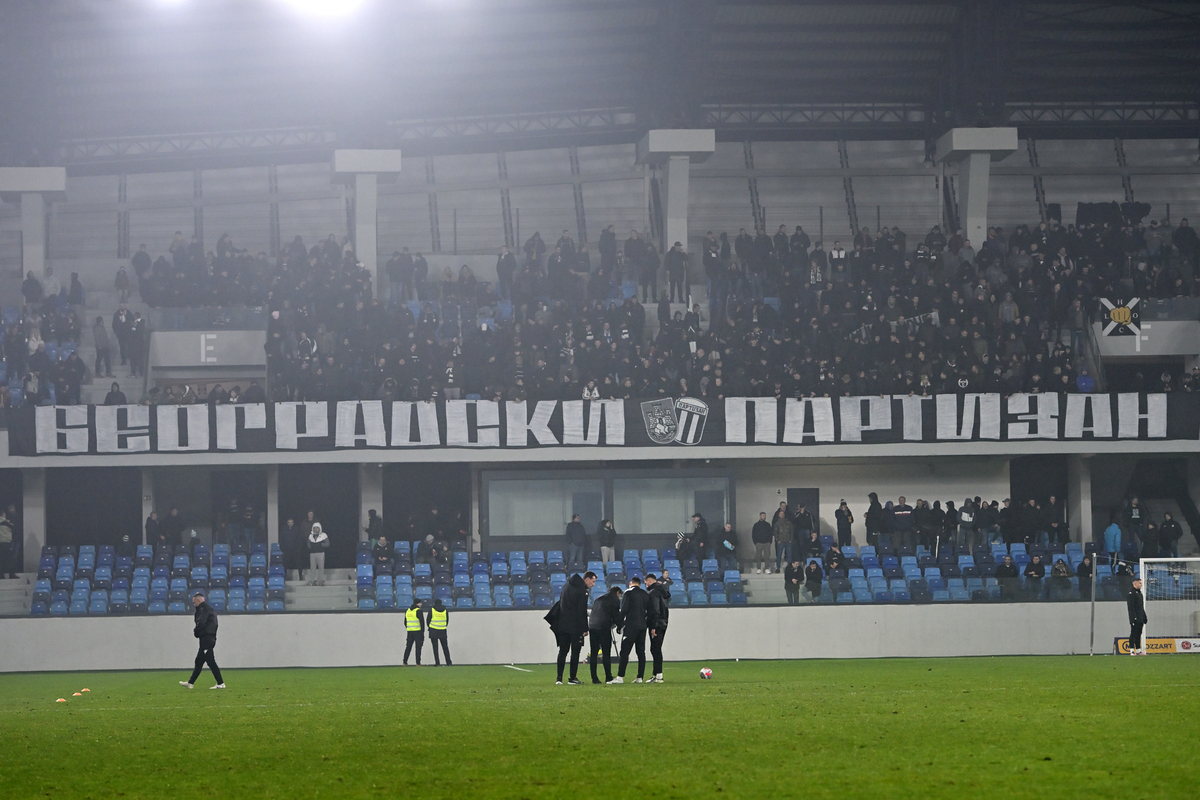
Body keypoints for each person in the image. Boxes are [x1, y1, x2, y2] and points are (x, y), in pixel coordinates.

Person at [551, 570, 594, 685]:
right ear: (587, 579)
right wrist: (585, 628)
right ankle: (572, 677)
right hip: (575, 627)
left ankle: (559, 678)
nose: (593, 584)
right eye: (593, 581)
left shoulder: (567, 586)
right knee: (575, 652)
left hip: (563, 625)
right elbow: (581, 611)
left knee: (563, 651)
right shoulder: (582, 591)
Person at [179, 591, 224, 689]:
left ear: (198, 600)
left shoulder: (204, 610)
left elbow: (201, 622)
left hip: (207, 639)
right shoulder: (209, 609)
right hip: (208, 639)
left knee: (210, 661)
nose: (194, 605)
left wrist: (196, 631)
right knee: (199, 661)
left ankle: (221, 683)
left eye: (194, 602)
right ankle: (190, 683)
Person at [613, 575, 649, 684]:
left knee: (625, 652)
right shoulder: (645, 594)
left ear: (630, 583)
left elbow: (623, 610)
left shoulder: (627, 593)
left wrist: (619, 625)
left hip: (631, 627)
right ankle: (640, 677)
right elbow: (648, 611)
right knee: (641, 652)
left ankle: (620, 677)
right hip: (642, 627)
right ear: (640, 584)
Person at [588, 585, 622, 684]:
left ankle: (594, 678)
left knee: (594, 653)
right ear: (618, 593)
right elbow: (616, 615)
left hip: (593, 627)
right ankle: (608, 676)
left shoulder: (598, 599)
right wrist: (621, 626)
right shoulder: (614, 600)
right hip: (603, 628)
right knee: (606, 653)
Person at [646, 573, 670, 683]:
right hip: (664, 622)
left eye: (646, 583)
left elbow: (655, 610)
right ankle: (656, 674)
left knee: (655, 649)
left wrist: (653, 626)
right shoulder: (663, 592)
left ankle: (658, 675)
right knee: (656, 648)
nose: (646, 585)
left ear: (650, 581)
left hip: (657, 624)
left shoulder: (653, 592)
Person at [427, 598, 452, 666]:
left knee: (435, 648)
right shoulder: (445, 610)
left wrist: (430, 626)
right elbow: (447, 620)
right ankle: (448, 662)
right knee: (445, 647)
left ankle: (437, 662)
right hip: (442, 630)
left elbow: (428, 620)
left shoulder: (432, 609)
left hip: (433, 630)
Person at [1128, 577, 1148, 655]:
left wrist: (1144, 616)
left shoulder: (1139, 593)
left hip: (1140, 617)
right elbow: (1130, 607)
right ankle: (1132, 650)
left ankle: (1138, 650)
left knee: (1139, 633)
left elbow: (1141, 606)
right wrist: (1133, 618)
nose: (1141, 585)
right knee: (1133, 633)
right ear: (1134, 584)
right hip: (1135, 617)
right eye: (1140, 583)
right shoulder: (1131, 593)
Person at [403, 598, 425, 666]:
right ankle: (418, 663)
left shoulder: (408, 611)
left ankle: (405, 662)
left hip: (410, 631)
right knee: (418, 648)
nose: (421, 604)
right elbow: (422, 622)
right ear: (417, 603)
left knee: (408, 647)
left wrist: (409, 627)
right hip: (418, 631)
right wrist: (422, 632)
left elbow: (405, 622)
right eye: (420, 603)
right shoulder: (418, 611)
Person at [772, 503, 792, 573]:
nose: (782, 515)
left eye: (783, 514)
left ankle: (790, 568)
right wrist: (777, 540)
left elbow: (791, 531)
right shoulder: (777, 523)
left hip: (788, 541)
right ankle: (778, 568)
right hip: (780, 541)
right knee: (779, 555)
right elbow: (775, 532)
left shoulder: (788, 523)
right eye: (780, 514)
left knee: (789, 555)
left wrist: (790, 539)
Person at [0, 508, 13, 579]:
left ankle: (1, 575)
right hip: (7, 543)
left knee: (1, 560)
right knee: (9, 560)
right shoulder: (5, 523)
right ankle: (11, 574)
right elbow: (13, 528)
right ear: (3, 515)